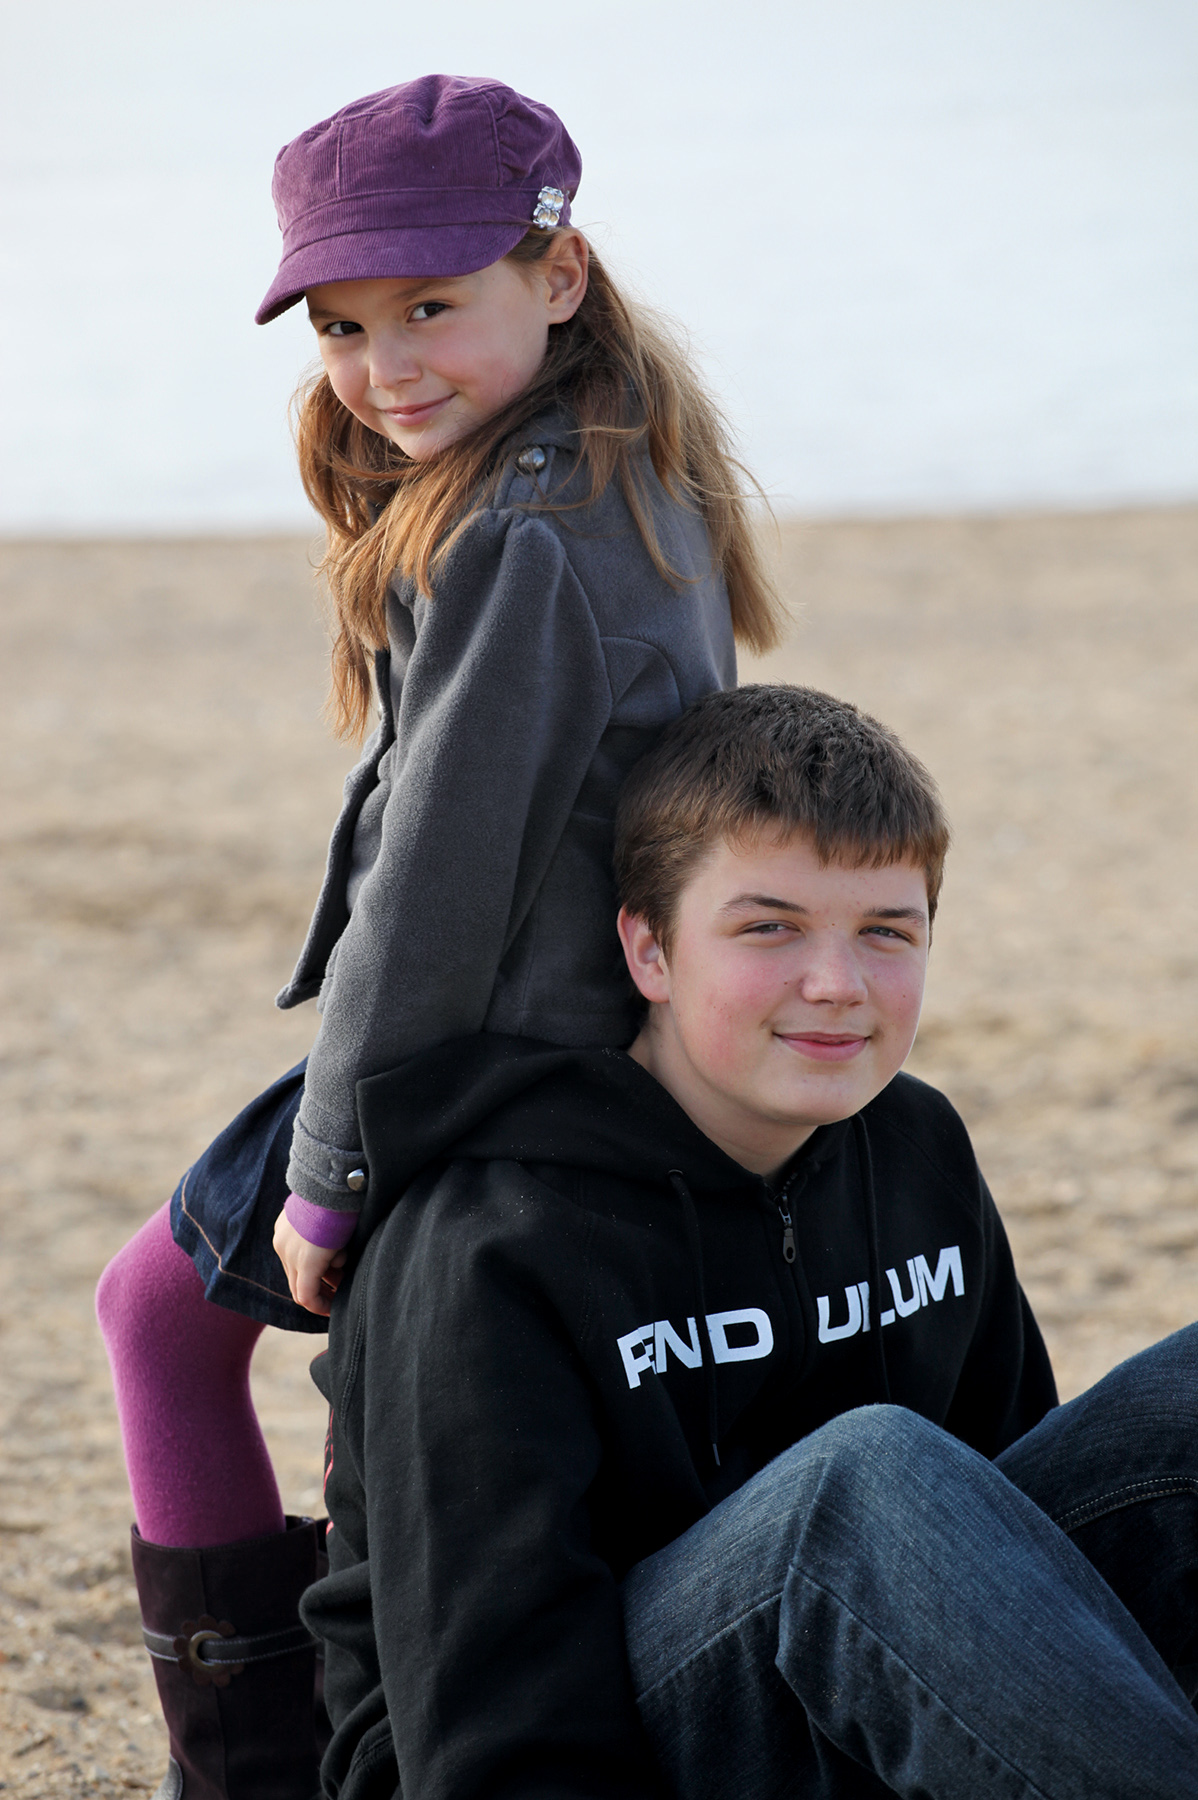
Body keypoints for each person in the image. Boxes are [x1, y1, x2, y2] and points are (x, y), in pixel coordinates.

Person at [94, 76, 783, 1800]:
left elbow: (436, 888)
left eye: (428, 306)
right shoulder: (626, 459)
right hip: (551, 1024)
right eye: (341, 322)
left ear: (554, 274)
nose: (383, 363)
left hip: (492, 1051)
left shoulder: (527, 538)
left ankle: (250, 1772)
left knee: (157, 1316)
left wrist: (329, 1171)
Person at [304, 683, 1198, 1800]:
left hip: (864, 1693)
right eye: (767, 928)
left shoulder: (913, 1143)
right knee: (859, 1485)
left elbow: (1013, 1549)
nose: (836, 986)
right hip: (543, 1748)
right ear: (649, 952)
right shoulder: (490, 1242)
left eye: (885, 932)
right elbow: (486, 1719)